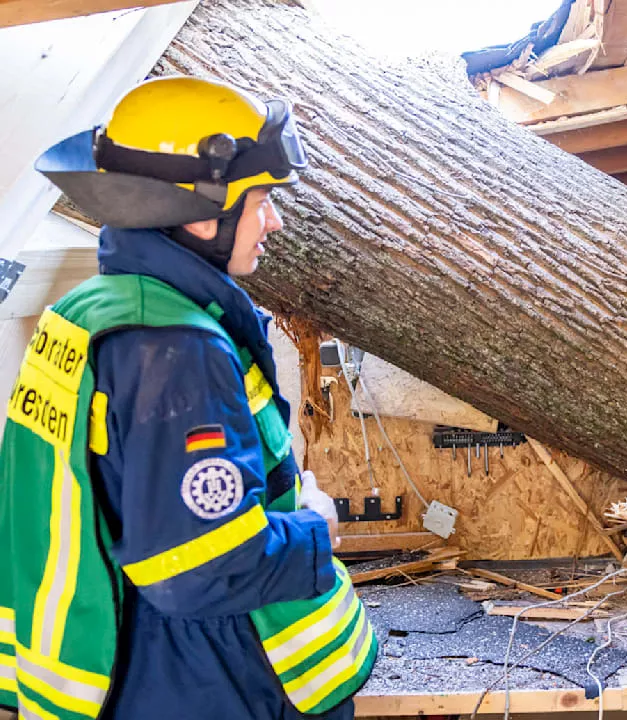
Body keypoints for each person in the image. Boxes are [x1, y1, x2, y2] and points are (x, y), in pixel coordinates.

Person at [0, 75, 376, 720]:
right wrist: (319, 528)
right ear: (205, 215)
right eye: (261, 201)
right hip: (206, 682)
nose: (274, 222)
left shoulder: (87, 311)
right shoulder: (175, 351)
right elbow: (202, 569)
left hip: (130, 663)